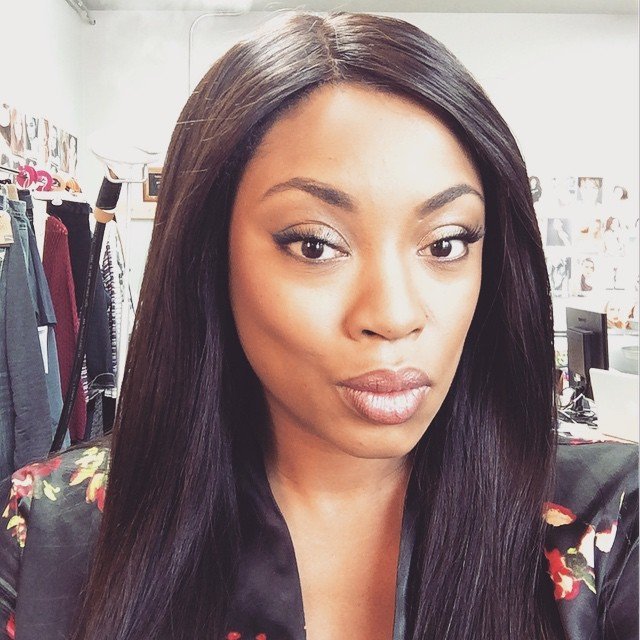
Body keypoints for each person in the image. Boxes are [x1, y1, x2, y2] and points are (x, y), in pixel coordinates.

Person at [0, 12, 636, 640]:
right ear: (209, 256)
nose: (394, 316)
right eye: (315, 245)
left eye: (446, 244)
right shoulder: (48, 539)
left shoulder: (612, 525)